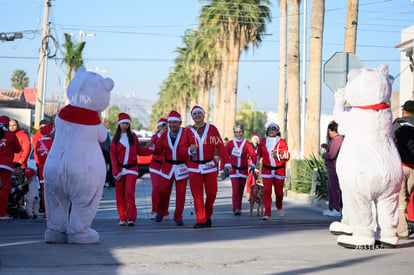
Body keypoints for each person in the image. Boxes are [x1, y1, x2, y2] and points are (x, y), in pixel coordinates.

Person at [181, 105, 232, 228]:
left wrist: (227, 162)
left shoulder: (212, 129)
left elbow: (220, 146)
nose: (197, 116)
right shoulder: (188, 131)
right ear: (192, 117)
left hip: (210, 166)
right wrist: (188, 150)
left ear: (204, 115)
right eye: (194, 114)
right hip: (194, 167)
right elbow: (181, 148)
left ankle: (207, 215)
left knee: (212, 192)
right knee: (197, 194)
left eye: (199, 113)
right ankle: (201, 219)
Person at [110, 113, 152, 226]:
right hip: (119, 170)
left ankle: (131, 217)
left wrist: (151, 149)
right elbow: (112, 156)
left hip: (132, 169)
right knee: (120, 194)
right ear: (119, 124)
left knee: (129, 193)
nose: (125, 125)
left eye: (127, 123)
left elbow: (140, 151)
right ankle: (122, 217)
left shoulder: (133, 137)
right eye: (123, 123)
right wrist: (115, 171)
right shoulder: (115, 139)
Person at [153, 111, 189, 226]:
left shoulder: (185, 133)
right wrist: (156, 138)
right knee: (162, 190)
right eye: (170, 122)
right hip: (167, 166)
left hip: (181, 166)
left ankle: (178, 216)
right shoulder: (164, 135)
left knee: (181, 193)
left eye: (175, 122)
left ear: (180, 123)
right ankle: (161, 211)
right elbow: (157, 150)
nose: (172, 125)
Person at [256, 122, 289, 220]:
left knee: (279, 193)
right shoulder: (263, 141)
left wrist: (278, 155)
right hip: (267, 170)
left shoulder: (282, 142)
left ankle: (279, 206)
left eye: (273, 129)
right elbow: (259, 153)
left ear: (278, 131)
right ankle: (267, 213)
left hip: (279, 170)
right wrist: (257, 162)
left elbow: (287, 156)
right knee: (267, 191)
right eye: (269, 129)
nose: (271, 131)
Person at [222, 124, 257, 215]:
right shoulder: (230, 143)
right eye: (236, 132)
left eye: (240, 132)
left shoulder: (246, 143)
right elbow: (225, 156)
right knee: (236, 189)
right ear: (234, 133)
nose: (238, 134)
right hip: (233, 170)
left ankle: (239, 207)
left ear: (243, 132)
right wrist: (222, 169)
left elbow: (253, 155)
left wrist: (253, 164)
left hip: (243, 170)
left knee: (241, 190)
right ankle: (235, 208)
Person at [391, 100, 414, 239]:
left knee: (401, 199)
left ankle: (403, 230)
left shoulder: (398, 124)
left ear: (404, 111)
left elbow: (391, 142)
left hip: (403, 166)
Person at [321, 121, 344, 217]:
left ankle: (336, 208)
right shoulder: (336, 140)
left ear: (334, 130)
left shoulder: (338, 139)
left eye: (329, 131)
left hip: (334, 168)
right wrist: (327, 148)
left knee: (334, 188)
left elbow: (331, 155)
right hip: (332, 167)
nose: (329, 133)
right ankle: (332, 208)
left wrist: (324, 154)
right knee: (331, 187)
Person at [0, 115, 21, 220]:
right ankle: (2, 213)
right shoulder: (10, 135)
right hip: (6, 165)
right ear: (7, 124)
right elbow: (18, 149)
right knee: (4, 189)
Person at [148, 118, 168, 220]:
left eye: (165, 126)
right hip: (155, 166)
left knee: (164, 189)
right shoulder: (155, 137)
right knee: (156, 188)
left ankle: (164, 212)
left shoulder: (170, 136)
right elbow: (152, 149)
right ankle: (154, 211)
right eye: (161, 126)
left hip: (166, 166)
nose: (163, 128)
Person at [35, 124, 55, 218]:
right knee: (55, 191)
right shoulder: (54, 142)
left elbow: (38, 156)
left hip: (42, 168)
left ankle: (47, 213)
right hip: (53, 167)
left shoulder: (38, 142)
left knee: (45, 191)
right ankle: (55, 212)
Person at [245, 134, 260, 199]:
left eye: (256, 139)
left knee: (255, 181)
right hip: (249, 165)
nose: (255, 140)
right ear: (251, 140)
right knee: (249, 180)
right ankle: (248, 192)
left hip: (257, 166)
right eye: (254, 139)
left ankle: (253, 194)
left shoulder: (259, 148)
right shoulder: (248, 146)